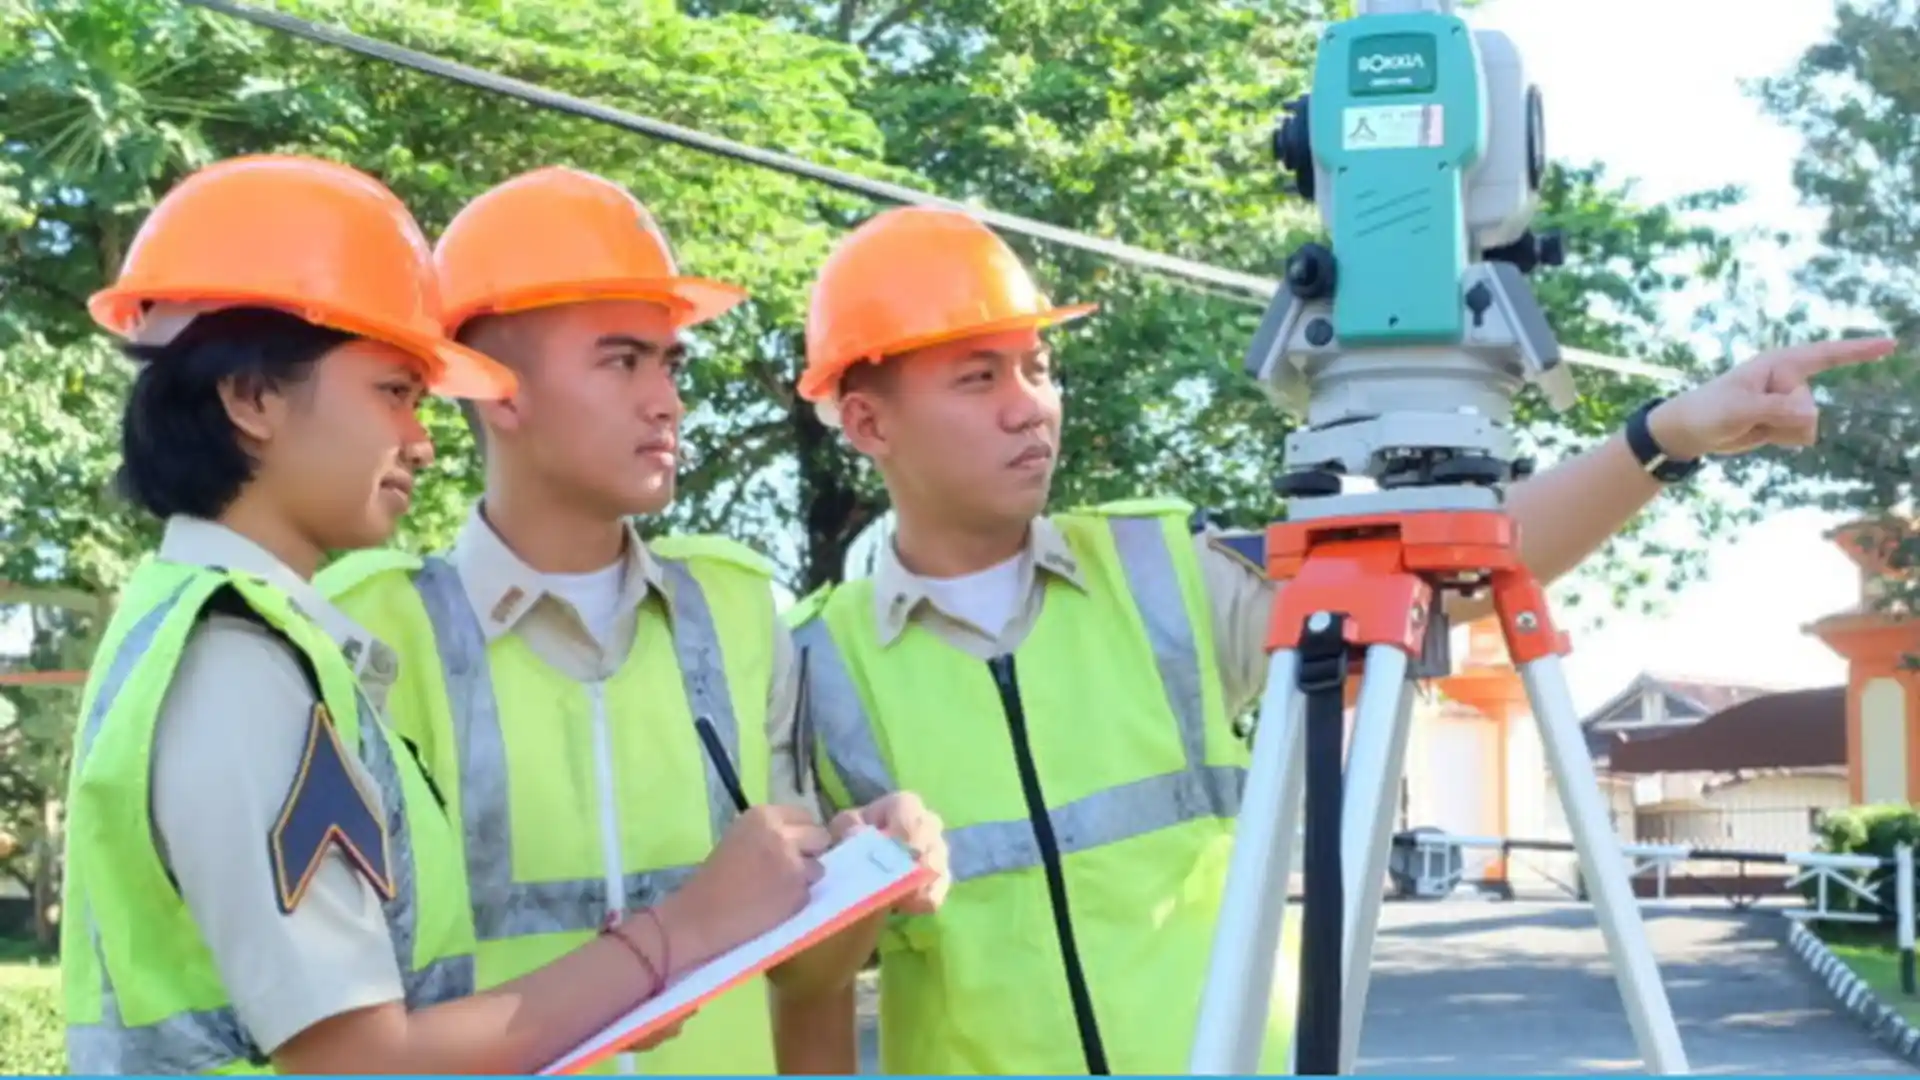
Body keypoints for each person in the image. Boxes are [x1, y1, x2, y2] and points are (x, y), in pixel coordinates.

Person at [783, 205, 1896, 1074]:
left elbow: (1452, 578)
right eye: (979, 377)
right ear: (867, 421)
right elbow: (808, 981)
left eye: (1037, 367)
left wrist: (1664, 437)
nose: (1031, 405)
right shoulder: (811, 666)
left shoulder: (1157, 572)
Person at [60, 154, 832, 1076]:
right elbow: (360, 1064)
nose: (423, 441)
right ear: (252, 397)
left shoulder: (224, 638)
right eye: (394, 392)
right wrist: (676, 938)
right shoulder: (236, 665)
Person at [316, 166, 948, 1076]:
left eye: (669, 364)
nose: (668, 400)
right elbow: (341, 1036)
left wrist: (866, 871)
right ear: (498, 393)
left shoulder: (738, 611)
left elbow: (805, 973)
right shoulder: (365, 633)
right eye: (622, 361)